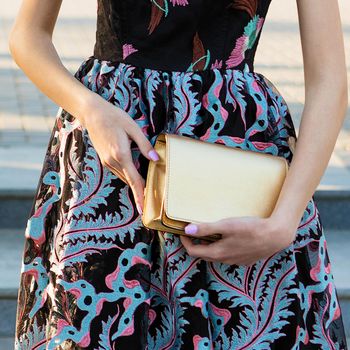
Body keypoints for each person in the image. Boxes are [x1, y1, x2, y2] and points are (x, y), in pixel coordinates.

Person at [9, 0, 348, 348]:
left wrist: (284, 222)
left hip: (236, 166)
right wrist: (90, 109)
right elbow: (28, 36)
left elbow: (330, 80)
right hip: (113, 164)